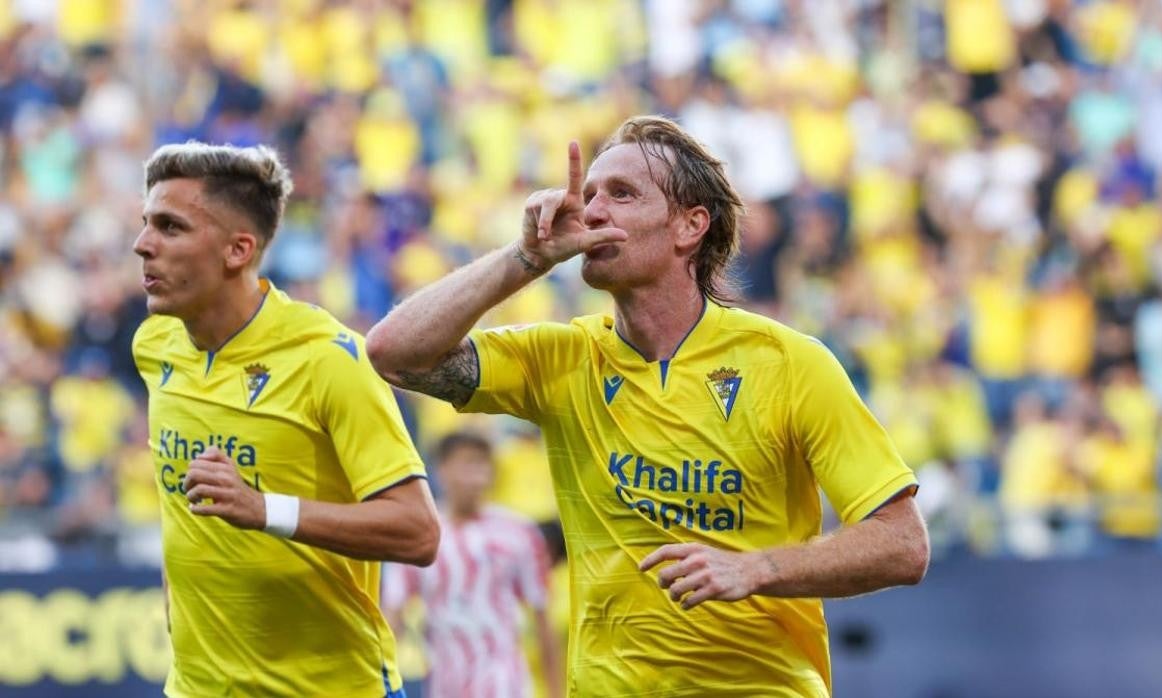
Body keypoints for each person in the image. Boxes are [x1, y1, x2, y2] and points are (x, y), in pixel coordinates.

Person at [366, 115, 929, 696]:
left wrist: (755, 567)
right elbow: (393, 353)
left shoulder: (789, 363)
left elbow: (902, 543)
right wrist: (526, 257)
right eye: (589, 197)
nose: (592, 212)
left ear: (690, 226)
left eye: (622, 194)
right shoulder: (564, 358)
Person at [131, 142, 440, 698]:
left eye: (170, 228)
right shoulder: (156, 344)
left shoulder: (329, 358)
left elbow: (418, 532)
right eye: (146, 223)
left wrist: (262, 508)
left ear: (238, 250)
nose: (142, 245)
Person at [382, 431, 562, 698]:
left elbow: (543, 619)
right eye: (466, 463)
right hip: (445, 684)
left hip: (505, 684)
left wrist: (555, 692)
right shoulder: (421, 535)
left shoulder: (519, 533)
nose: (476, 474)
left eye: (481, 463)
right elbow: (393, 616)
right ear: (441, 469)